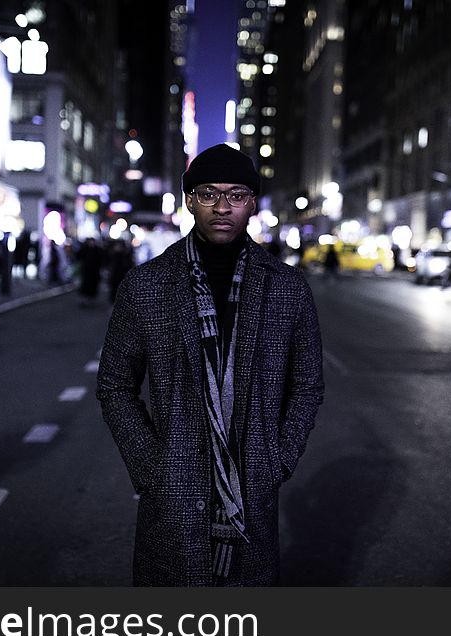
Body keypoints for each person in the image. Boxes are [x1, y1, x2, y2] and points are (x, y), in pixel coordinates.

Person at [97, 143, 325, 586]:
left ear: (252, 203)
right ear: (189, 201)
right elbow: (115, 384)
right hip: (172, 497)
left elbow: (307, 386)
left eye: (236, 194)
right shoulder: (145, 285)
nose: (223, 206)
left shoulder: (288, 288)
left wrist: (277, 460)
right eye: (208, 193)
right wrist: (151, 467)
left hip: (252, 495)